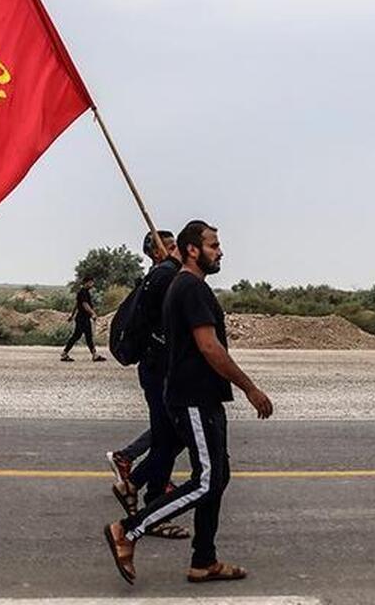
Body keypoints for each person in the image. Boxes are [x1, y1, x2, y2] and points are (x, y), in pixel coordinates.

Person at [104, 220, 274, 585]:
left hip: (203, 397)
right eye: (213, 245)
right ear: (193, 250)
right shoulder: (190, 288)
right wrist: (250, 388)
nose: (220, 251)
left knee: (218, 476)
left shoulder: (185, 285)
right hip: (193, 398)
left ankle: (204, 560)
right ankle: (128, 530)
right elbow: (210, 347)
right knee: (206, 481)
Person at [108, 230, 190, 540]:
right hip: (160, 371)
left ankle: (135, 484)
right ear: (157, 252)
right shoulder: (165, 278)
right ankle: (152, 508)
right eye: (170, 247)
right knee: (170, 438)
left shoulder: (163, 276)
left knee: (169, 436)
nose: (176, 250)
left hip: (158, 369)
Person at [61, 276, 104, 362]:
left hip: (82, 318)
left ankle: (94, 355)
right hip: (82, 318)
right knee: (77, 336)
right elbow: (85, 304)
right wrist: (93, 314)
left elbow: (76, 305)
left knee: (87, 336)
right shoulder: (83, 292)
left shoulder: (83, 292)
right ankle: (64, 353)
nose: (92, 284)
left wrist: (72, 315)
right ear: (87, 282)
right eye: (91, 282)